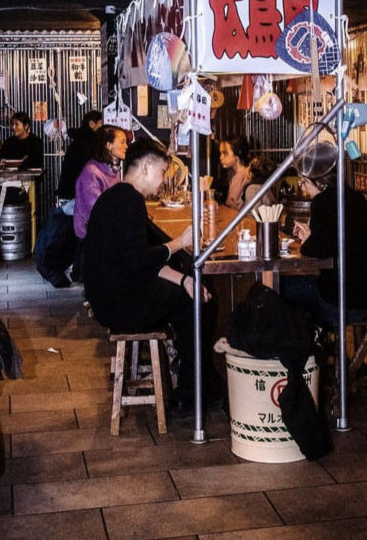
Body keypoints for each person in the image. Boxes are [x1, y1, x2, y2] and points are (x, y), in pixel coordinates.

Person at [82, 139, 222, 413]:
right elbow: (139, 260)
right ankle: (193, 392)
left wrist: (184, 280)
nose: (163, 181)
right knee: (200, 303)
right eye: (161, 172)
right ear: (145, 167)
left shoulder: (116, 196)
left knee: (190, 292)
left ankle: (193, 383)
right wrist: (179, 243)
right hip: (119, 306)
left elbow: (141, 261)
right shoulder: (129, 200)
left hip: (109, 299)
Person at [284, 172, 367, 325]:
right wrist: (311, 237)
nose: (302, 187)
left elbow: (315, 250)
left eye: (303, 182)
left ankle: (306, 342)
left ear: (319, 182)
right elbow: (333, 241)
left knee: (281, 287)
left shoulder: (323, 201)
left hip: (341, 303)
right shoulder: (354, 197)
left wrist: (308, 241)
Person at [73, 125, 127, 240]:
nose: (126, 146)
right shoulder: (91, 173)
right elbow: (97, 212)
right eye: (122, 142)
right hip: (91, 237)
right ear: (108, 145)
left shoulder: (111, 170)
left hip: (104, 231)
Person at [56, 110, 103, 206]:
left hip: (68, 194)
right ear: (92, 124)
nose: (102, 127)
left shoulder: (80, 139)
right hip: (76, 196)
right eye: (100, 123)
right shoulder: (89, 142)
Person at [218, 135, 250, 209]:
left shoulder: (247, 176)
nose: (221, 157)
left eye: (225, 153)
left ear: (237, 154)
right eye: (220, 153)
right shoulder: (232, 174)